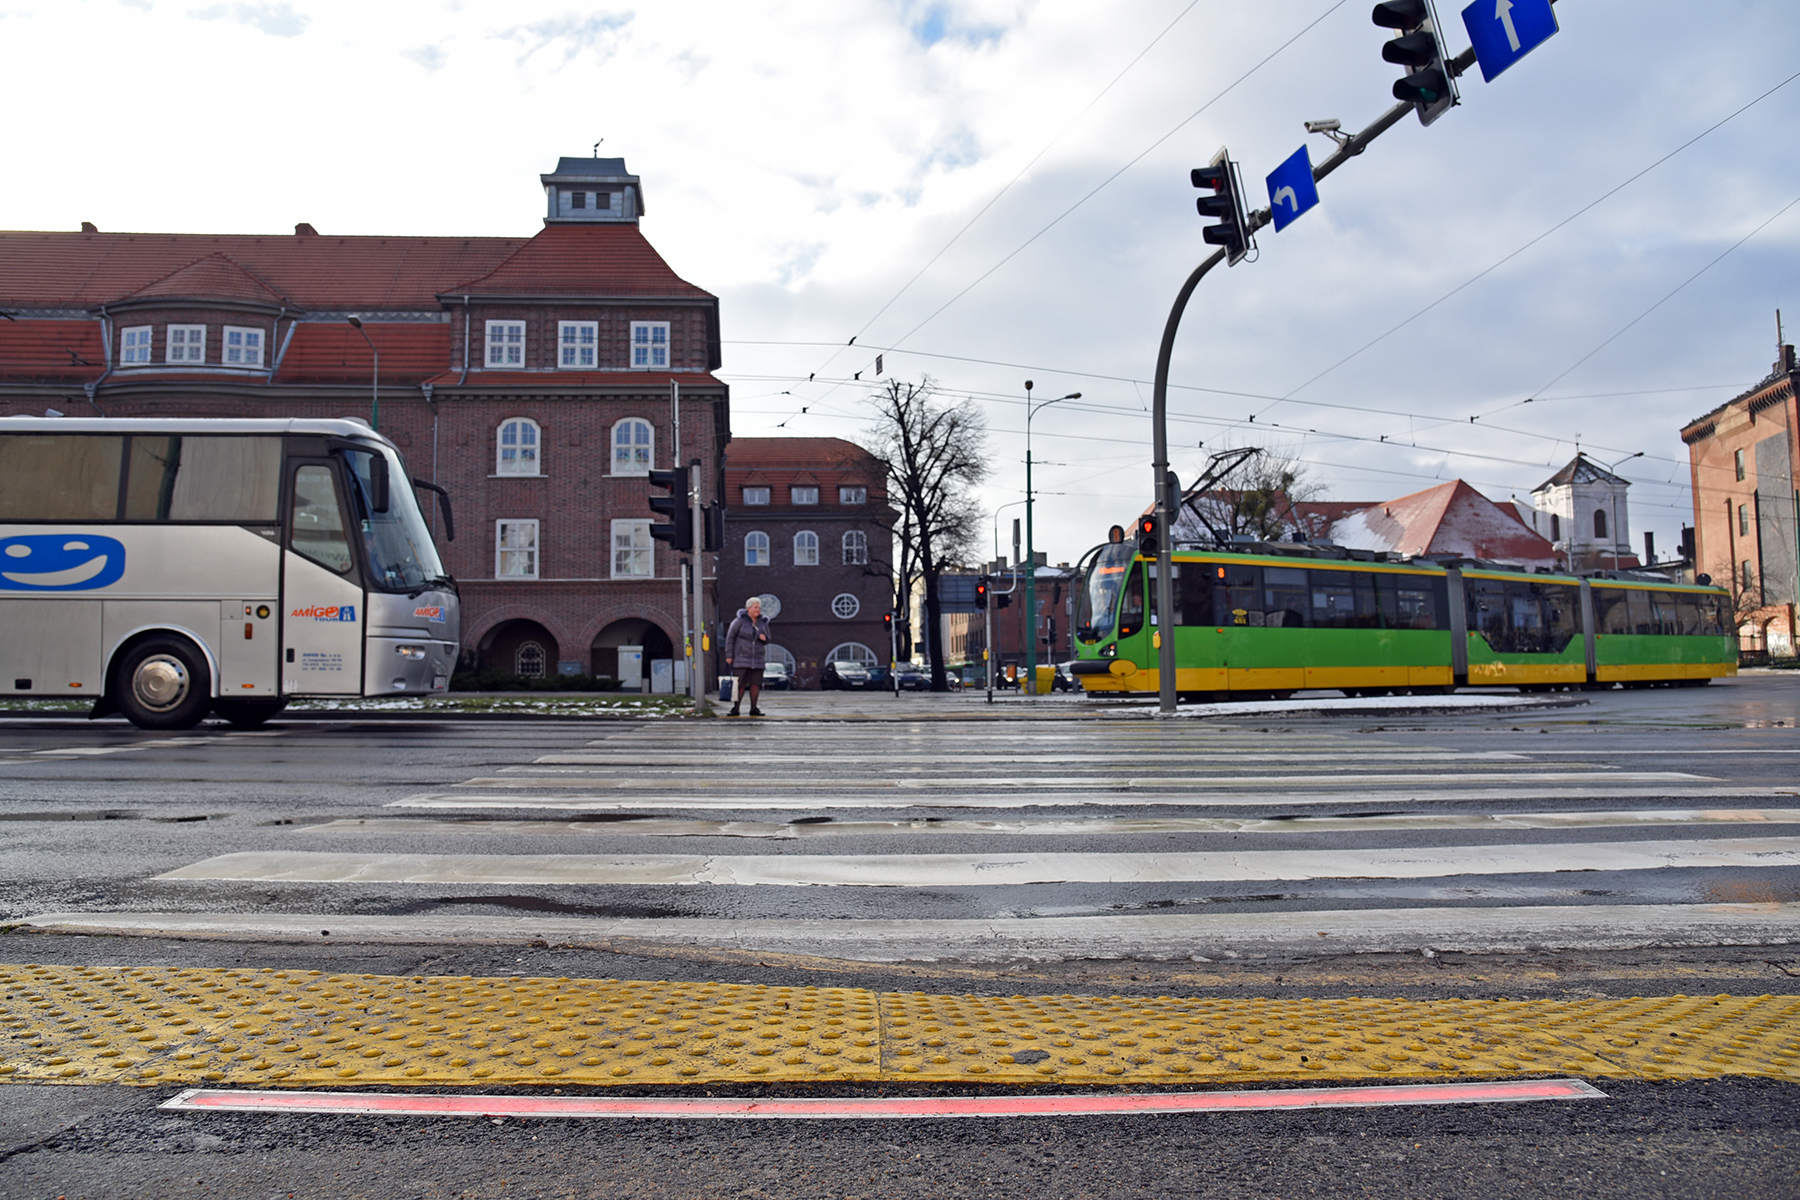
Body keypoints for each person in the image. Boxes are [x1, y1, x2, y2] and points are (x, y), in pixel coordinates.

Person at [722, 596, 772, 717]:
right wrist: (729, 655)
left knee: (756, 684)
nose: (758, 610)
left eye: (759, 608)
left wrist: (765, 639)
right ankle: (736, 708)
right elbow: (730, 638)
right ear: (748, 608)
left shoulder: (763, 623)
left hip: (758, 659)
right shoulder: (739, 621)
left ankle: (754, 708)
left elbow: (768, 638)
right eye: (755, 607)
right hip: (741, 659)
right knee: (740, 684)